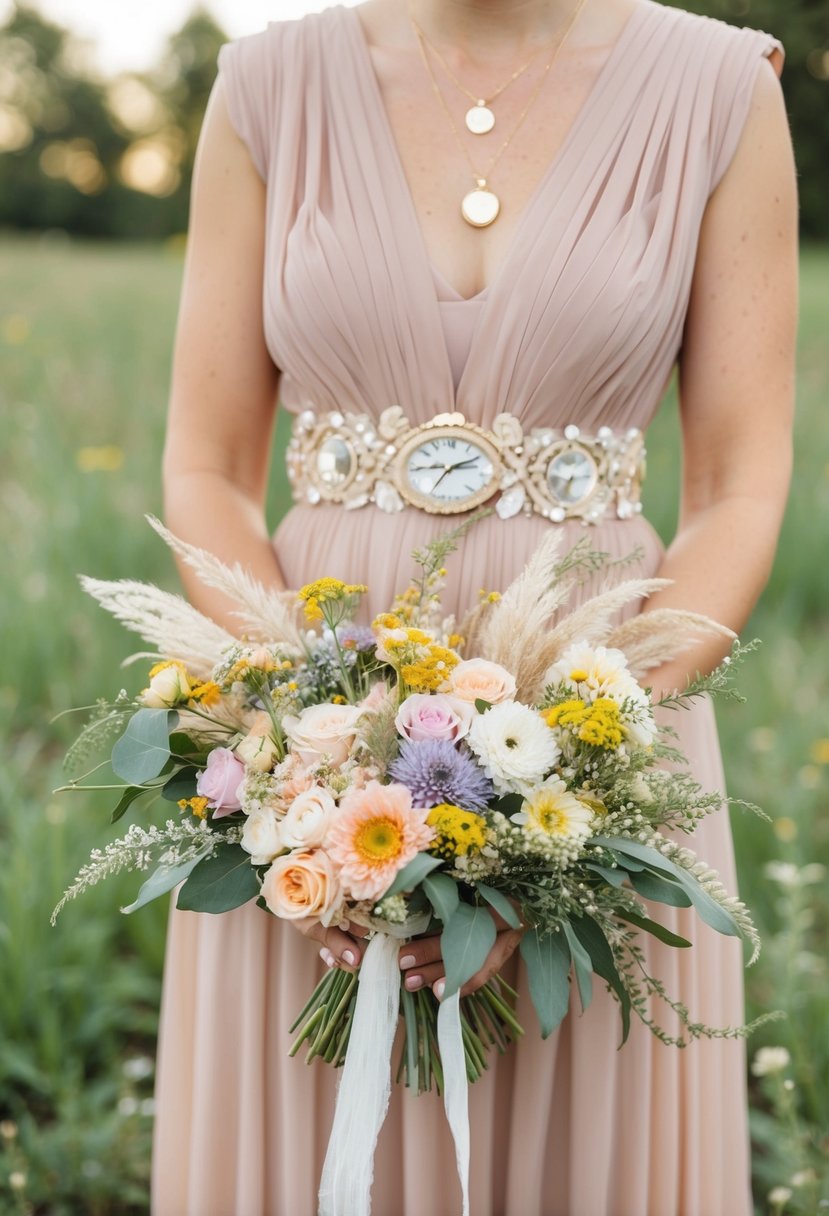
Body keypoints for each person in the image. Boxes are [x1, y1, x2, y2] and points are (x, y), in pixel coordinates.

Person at [151, 0, 797, 1211]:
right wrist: (308, 753)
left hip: (602, 702)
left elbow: (737, 487)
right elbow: (204, 465)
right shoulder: (264, 88)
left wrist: (581, 778)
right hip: (314, 703)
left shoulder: (720, 89)